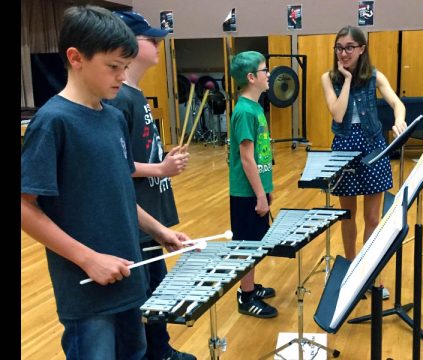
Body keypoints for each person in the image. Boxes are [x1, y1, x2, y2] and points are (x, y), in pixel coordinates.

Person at [21, 5, 189, 359]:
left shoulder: (113, 118)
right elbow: (25, 207)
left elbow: (120, 192)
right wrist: (88, 259)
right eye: (113, 66)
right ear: (76, 58)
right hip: (88, 293)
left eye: (124, 67)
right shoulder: (53, 122)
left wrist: (161, 232)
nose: (120, 76)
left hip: (129, 281)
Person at [109, 11, 195, 360]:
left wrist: (163, 159)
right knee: (143, 297)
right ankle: (152, 352)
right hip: (134, 219)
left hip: (149, 221)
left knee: (158, 290)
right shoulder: (118, 98)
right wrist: (160, 166)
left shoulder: (134, 93)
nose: (158, 43)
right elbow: (116, 165)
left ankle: (161, 349)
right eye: (150, 39)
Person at [321, 25, 407, 300]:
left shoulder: (375, 76)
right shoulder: (329, 78)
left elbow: (397, 103)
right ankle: (351, 268)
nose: (343, 53)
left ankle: (369, 273)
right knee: (348, 216)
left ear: (362, 49)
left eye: (349, 48)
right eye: (339, 47)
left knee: (373, 218)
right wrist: (345, 80)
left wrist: (399, 119)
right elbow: (337, 114)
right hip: (344, 147)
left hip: (373, 146)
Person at [229, 51, 278, 318]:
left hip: (257, 190)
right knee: (246, 245)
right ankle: (245, 296)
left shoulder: (256, 107)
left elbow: (261, 155)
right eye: (264, 70)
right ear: (251, 77)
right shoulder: (244, 111)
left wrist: (266, 188)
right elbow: (247, 158)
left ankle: (251, 285)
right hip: (245, 193)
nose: (268, 74)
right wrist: (259, 195)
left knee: (257, 242)